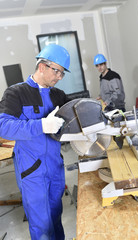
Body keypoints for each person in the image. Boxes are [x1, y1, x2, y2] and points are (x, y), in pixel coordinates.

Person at [0, 44, 71, 240]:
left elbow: (75, 115)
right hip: (32, 171)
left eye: (62, 73)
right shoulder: (16, 93)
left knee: (56, 217)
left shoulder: (57, 94)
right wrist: (41, 126)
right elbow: (3, 127)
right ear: (42, 66)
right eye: (57, 71)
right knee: (41, 226)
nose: (59, 77)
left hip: (55, 167)